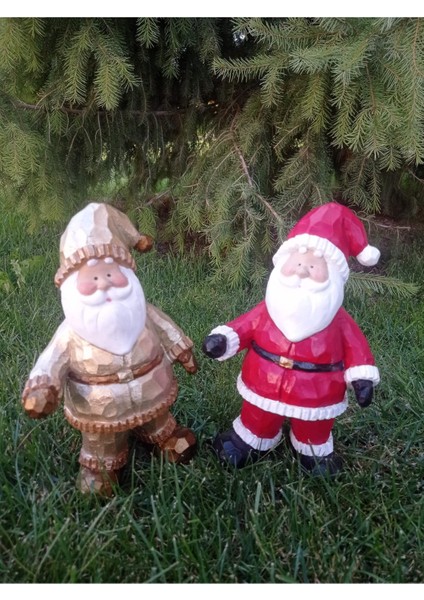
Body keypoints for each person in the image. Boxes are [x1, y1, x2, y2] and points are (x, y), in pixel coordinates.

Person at [22, 202, 197, 496]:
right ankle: (101, 468)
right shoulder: (70, 333)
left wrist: (181, 349)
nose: (103, 284)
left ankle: (164, 437)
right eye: (92, 278)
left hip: (151, 389)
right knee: (103, 441)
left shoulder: (141, 312)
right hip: (99, 409)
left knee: (158, 420)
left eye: (110, 274)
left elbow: (165, 327)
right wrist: (43, 388)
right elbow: (50, 360)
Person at [203, 202, 380, 475]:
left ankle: (312, 449)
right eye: (297, 263)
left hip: (317, 392)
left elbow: (357, 349)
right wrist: (224, 340)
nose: (301, 271)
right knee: (258, 415)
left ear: (334, 276)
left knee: (315, 425)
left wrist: (361, 378)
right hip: (263, 382)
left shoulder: (339, 322)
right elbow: (244, 326)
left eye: (313, 266)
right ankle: (253, 437)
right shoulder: (268, 310)